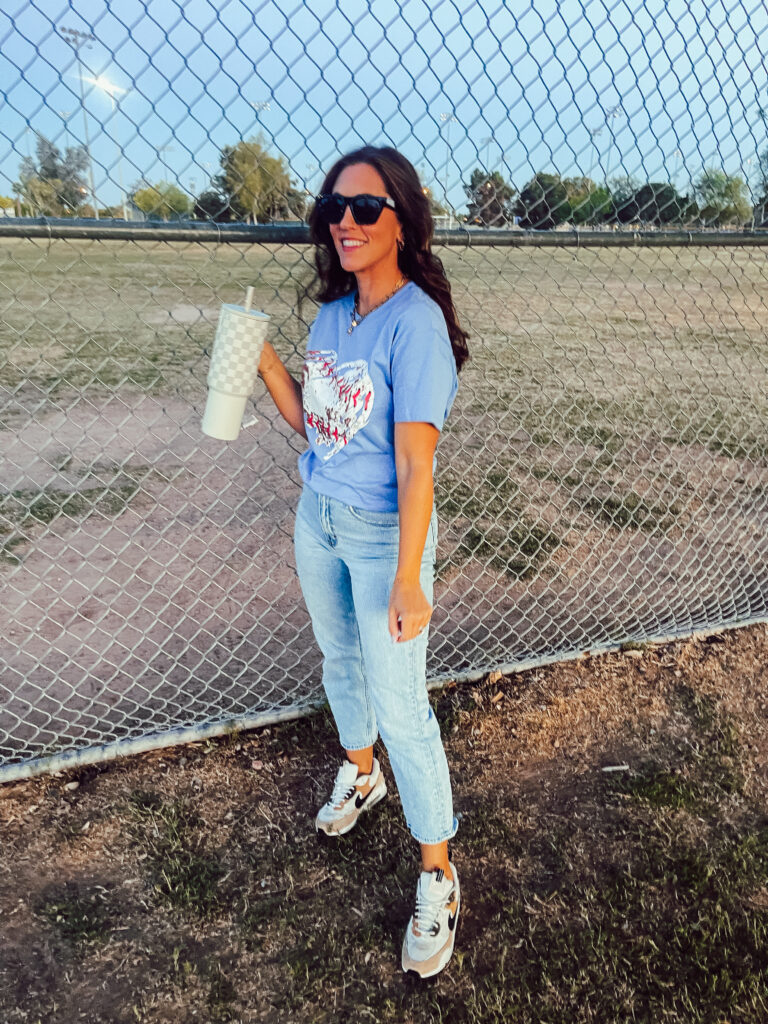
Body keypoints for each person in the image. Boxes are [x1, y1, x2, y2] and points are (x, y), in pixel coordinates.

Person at [256, 145, 469, 979]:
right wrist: (268, 362)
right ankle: (360, 772)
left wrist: (412, 575)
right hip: (322, 519)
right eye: (333, 209)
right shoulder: (333, 315)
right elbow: (319, 432)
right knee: (338, 658)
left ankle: (439, 874)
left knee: (403, 701)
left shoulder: (414, 325)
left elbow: (417, 466)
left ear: (402, 222)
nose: (345, 221)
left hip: (387, 536)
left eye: (365, 209)